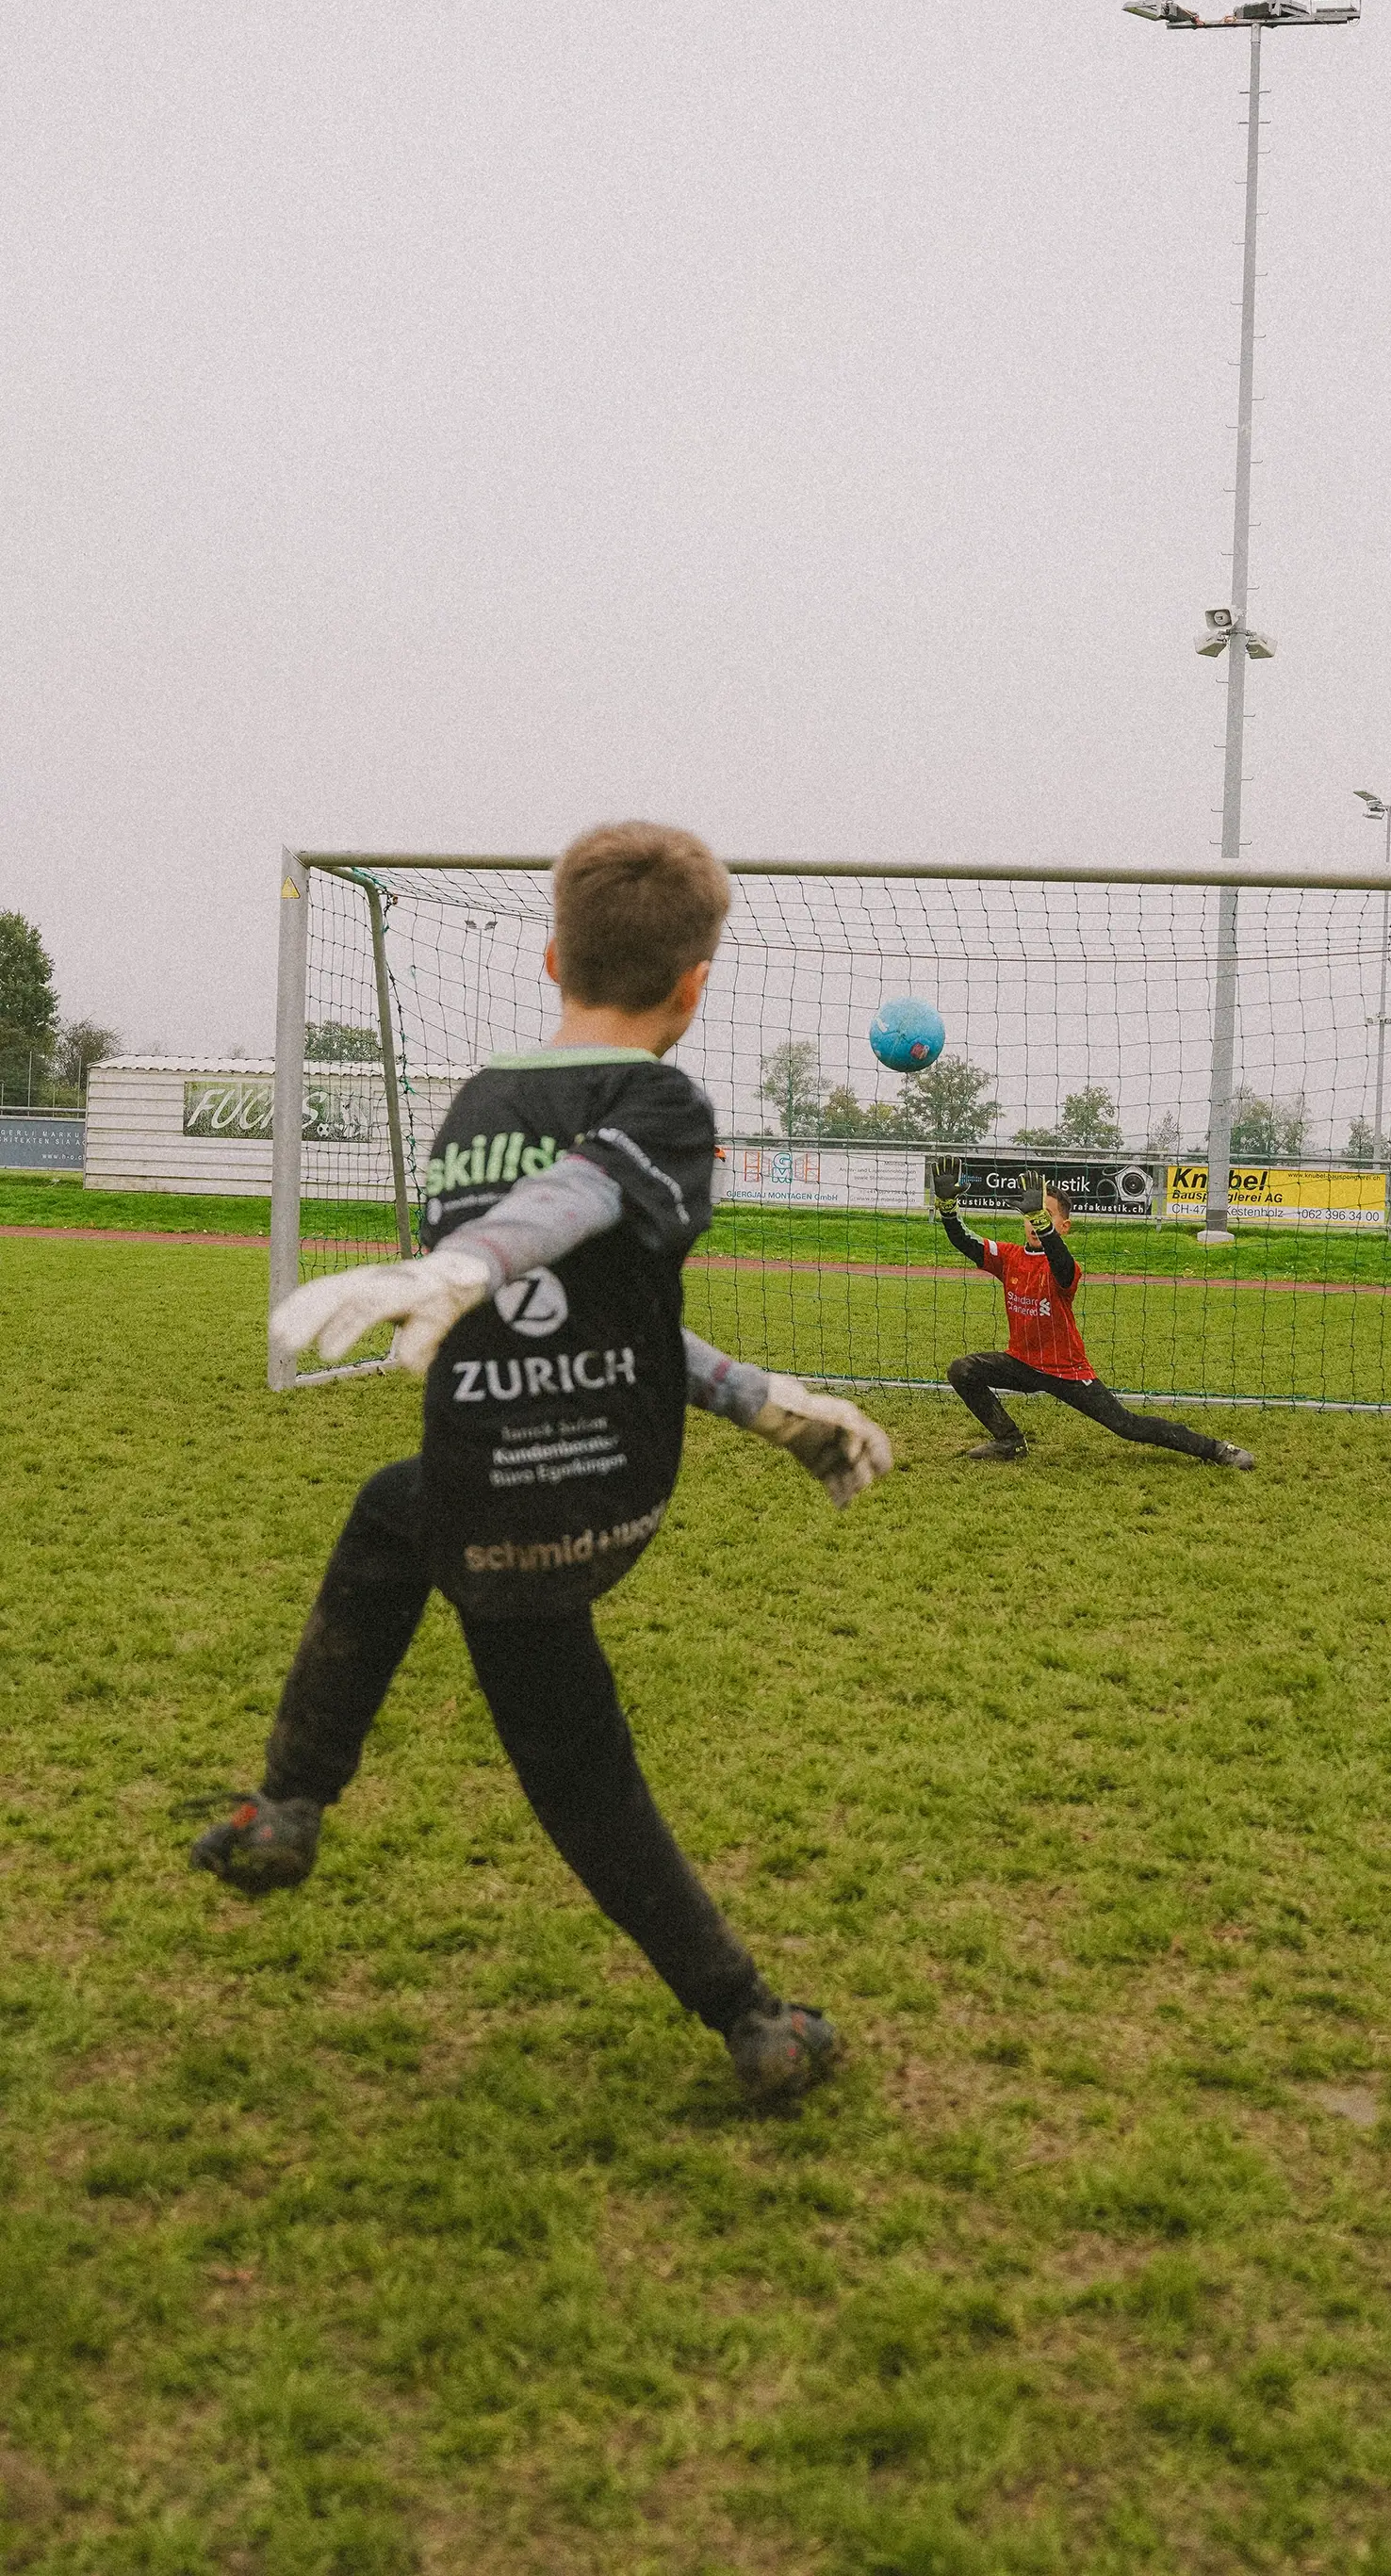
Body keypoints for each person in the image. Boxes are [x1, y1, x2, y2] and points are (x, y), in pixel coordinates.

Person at [192, 822, 892, 2105]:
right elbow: (585, 1233)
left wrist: (760, 1399)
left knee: (409, 1519)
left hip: (489, 1478)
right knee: (569, 1759)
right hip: (596, 1486)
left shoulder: (478, 1111)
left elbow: (574, 1205)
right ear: (696, 983)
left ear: (553, 955)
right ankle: (752, 2020)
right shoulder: (668, 1104)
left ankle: (290, 1801)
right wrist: (762, 1408)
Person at [932, 1161, 1254, 1471]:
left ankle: (1216, 1449)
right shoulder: (1009, 1257)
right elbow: (965, 1241)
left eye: (1045, 1215)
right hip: (1022, 1364)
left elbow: (1061, 1264)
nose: (1034, 1221)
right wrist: (947, 1208)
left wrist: (1043, 1226)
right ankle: (1009, 1441)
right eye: (1030, 1214)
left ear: (1064, 1226)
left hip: (1066, 1370)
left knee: (1127, 1426)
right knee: (963, 1370)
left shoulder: (1065, 1265)